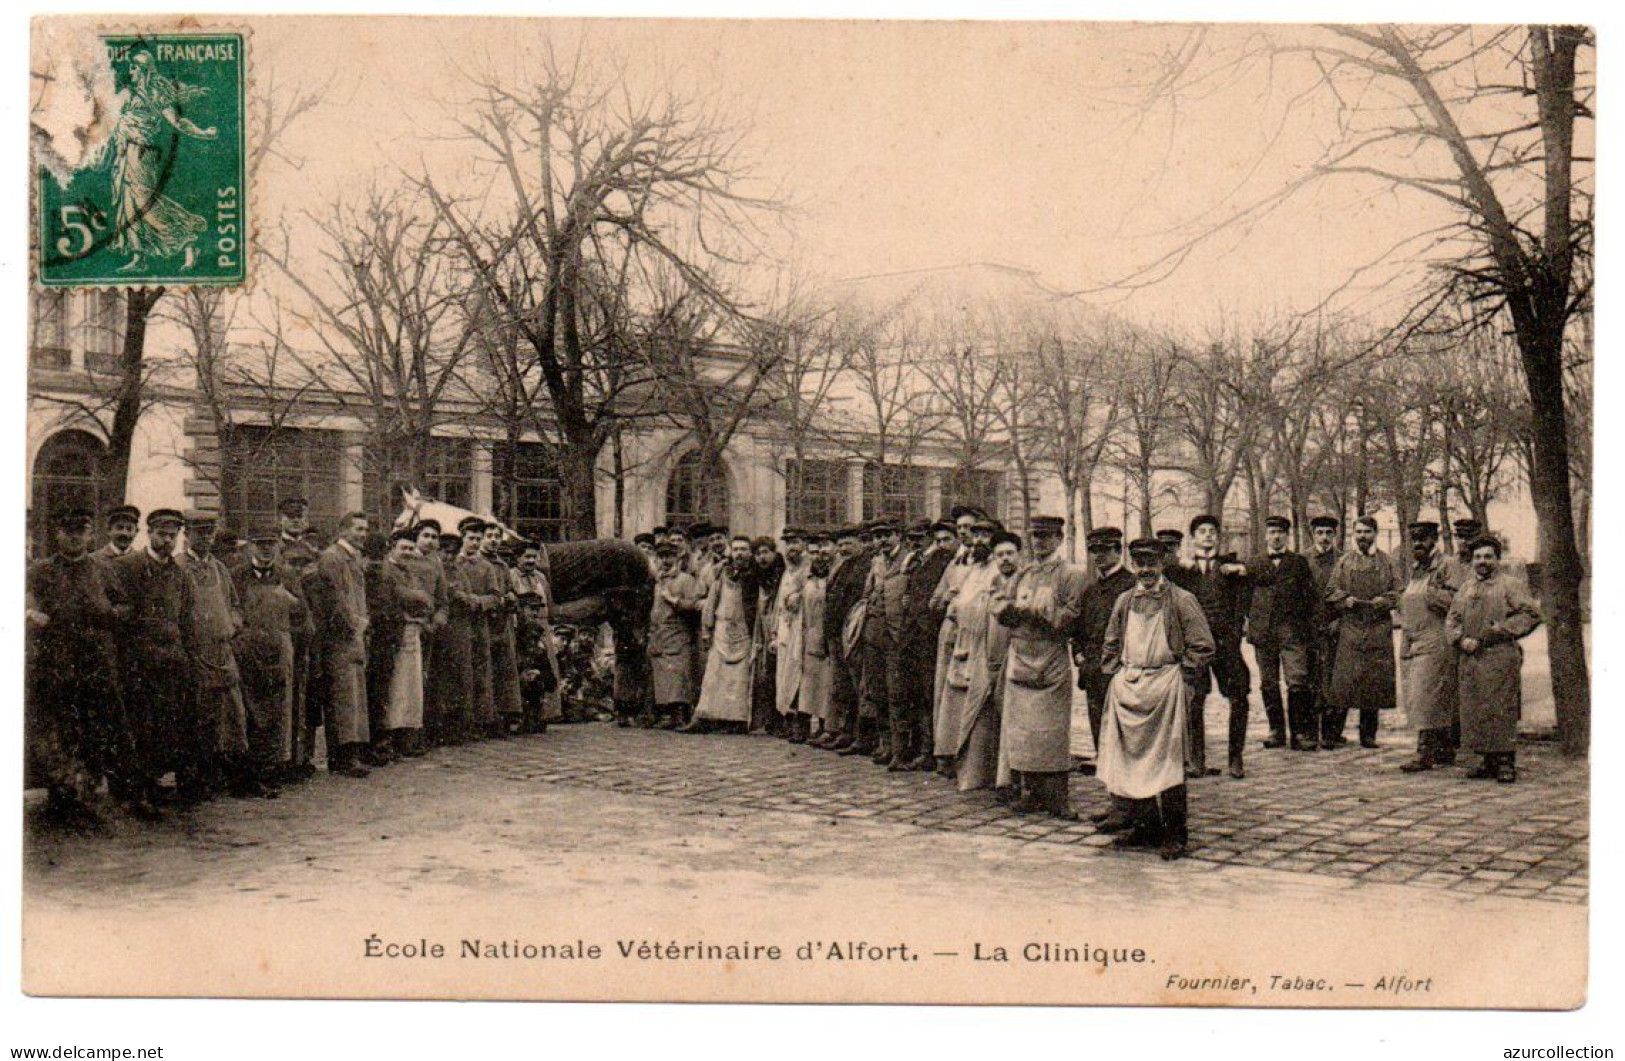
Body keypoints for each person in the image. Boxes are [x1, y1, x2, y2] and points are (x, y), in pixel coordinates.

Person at [26, 507, 151, 824]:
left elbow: (125, 606)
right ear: (58, 535)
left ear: (89, 535)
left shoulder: (102, 569)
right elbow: (19, 602)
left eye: (80, 532)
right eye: (68, 532)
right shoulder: (41, 571)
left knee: (107, 728)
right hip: (57, 662)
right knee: (63, 730)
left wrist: (110, 614)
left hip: (96, 660)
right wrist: (31, 615)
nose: (74, 537)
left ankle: (119, 797)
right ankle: (63, 800)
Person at [1097, 537, 1215, 861]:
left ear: (1163, 564)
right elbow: (1111, 642)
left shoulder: (1181, 600)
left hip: (1165, 685)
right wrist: (1116, 675)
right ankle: (1145, 828)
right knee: (1132, 761)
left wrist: (1183, 676)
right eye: (1140, 563)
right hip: (1130, 686)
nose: (1146, 570)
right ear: (1134, 565)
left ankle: (1175, 834)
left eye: (1152, 563)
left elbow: (1203, 645)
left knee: (1167, 764)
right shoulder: (1124, 601)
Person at [992, 514, 1087, 819]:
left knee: (1052, 731)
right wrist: (1006, 612)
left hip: (1051, 657)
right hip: (1021, 655)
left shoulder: (1071, 574)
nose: (1039, 543)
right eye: (1035, 537)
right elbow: (1001, 605)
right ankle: (1029, 793)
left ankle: (1057, 797)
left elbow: (1073, 615)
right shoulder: (1023, 574)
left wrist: (1040, 614)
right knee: (1023, 731)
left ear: (1059, 539)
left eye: (1046, 537)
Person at [107, 509, 197, 801]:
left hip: (171, 659)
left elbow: (185, 617)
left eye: (173, 535)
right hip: (138, 660)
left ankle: (155, 780)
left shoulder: (180, 573)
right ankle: (135, 785)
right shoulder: (127, 566)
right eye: (162, 534)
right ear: (149, 533)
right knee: (138, 722)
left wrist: (184, 653)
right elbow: (117, 613)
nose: (167, 540)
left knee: (165, 722)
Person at [1446, 537, 1542, 783]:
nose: (1482, 562)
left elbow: (1530, 614)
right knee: (1475, 710)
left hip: (1499, 657)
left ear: (1497, 559)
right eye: (1478, 557)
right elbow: (1452, 619)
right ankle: (1486, 761)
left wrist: (1500, 630)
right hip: (1471, 659)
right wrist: (1459, 639)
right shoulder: (1466, 588)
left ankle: (1505, 761)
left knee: (1501, 709)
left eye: (1488, 556)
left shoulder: (1510, 584)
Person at [179, 512, 258, 799]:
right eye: (200, 533)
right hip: (197, 652)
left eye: (210, 533)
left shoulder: (220, 568)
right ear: (187, 534)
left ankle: (236, 777)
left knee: (234, 715)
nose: (206, 538)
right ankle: (198, 780)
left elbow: (235, 604)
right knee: (201, 716)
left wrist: (234, 621)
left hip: (223, 651)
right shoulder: (179, 567)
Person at [232, 526, 309, 793]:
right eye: (260, 544)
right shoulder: (237, 576)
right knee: (251, 710)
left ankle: (274, 768)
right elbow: (230, 611)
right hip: (248, 649)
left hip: (279, 648)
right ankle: (249, 772)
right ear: (250, 547)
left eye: (270, 544)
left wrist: (290, 605)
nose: (265, 549)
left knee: (280, 710)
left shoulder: (287, 575)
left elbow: (303, 617)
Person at [1179, 514, 1251, 778]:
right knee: (1194, 699)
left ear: (1218, 538)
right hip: (1196, 646)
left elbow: (1245, 598)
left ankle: (1236, 758)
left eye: (1212, 531)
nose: (1207, 535)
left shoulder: (1231, 568)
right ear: (1193, 538)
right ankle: (1196, 760)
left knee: (1239, 696)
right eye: (1201, 531)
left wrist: (1234, 634)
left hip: (1225, 643)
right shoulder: (1183, 571)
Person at [1244, 515, 1321, 750]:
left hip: (1292, 632)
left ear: (1286, 536)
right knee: (1268, 682)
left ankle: (1299, 733)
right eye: (1272, 532)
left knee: (1297, 680)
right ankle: (1276, 730)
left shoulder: (1298, 562)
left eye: (1281, 532)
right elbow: (1245, 597)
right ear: (1266, 535)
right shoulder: (1253, 563)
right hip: (1263, 632)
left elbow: (1310, 598)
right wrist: (1252, 620)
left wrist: (1308, 629)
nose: (1276, 536)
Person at [1326, 515, 1401, 749]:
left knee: (1374, 680)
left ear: (1375, 534)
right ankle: (1333, 733)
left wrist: (1384, 601)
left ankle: (1368, 735)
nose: (1362, 536)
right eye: (1358, 532)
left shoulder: (1387, 562)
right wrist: (1344, 600)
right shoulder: (1344, 562)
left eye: (1367, 532)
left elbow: (1399, 591)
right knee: (1344, 680)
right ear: (1353, 534)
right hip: (1350, 626)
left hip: (1378, 626)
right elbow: (1330, 591)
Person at [307, 511, 373, 777]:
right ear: (343, 530)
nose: (363, 534)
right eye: (358, 529)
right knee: (344, 696)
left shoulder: (352, 558)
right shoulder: (333, 558)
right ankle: (343, 755)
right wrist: (354, 625)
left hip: (355, 633)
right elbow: (336, 600)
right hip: (342, 636)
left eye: (365, 529)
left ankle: (351, 752)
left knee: (354, 694)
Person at [1069, 527, 1135, 782]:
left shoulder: (1130, 585)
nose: (1100, 557)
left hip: (1119, 666)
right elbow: (1077, 627)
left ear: (1118, 552)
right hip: (1092, 666)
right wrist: (1078, 654)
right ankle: (1104, 763)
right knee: (1096, 715)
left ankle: (1122, 772)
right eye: (1095, 551)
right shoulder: (1090, 589)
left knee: (1121, 720)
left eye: (1106, 551)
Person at [952, 525, 1015, 792]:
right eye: (975, 536)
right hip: (980, 644)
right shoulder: (977, 571)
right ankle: (978, 773)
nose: (979, 541)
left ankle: (1007, 778)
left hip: (1007, 649)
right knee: (978, 711)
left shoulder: (1003, 573)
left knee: (1006, 713)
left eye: (984, 536)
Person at [1398, 522, 1459, 773]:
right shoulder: (1416, 568)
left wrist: (1432, 594)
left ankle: (1425, 752)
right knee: (1419, 693)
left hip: (1436, 638)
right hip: (1414, 636)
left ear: (1434, 539)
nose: (1418, 544)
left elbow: (1458, 600)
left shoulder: (1447, 565)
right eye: (1414, 539)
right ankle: (1444, 748)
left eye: (1423, 539)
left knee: (1428, 694)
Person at [685, 535, 757, 733]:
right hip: (722, 628)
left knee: (738, 680)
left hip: (743, 631)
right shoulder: (721, 573)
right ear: (731, 552)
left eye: (744, 549)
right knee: (714, 676)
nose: (740, 553)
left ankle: (736, 721)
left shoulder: (755, 575)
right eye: (736, 549)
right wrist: (707, 628)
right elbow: (711, 601)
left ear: (750, 553)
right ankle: (704, 718)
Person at [905, 519, 957, 773]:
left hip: (937, 635)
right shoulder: (929, 562)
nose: (942, 545)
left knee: (937, 695)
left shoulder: (953, 565)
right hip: (920, 638)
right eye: (938, 541)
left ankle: (936, 751)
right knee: (923, 694)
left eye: (947, 540)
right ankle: (925, 749)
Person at [377, 528, 434, 758]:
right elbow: (398, 597)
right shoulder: (386, 570)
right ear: (393, 547)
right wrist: (416, 599)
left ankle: (407, 737)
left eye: (411, 548)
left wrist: (418, 601)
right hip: (393, 633)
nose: (408, 553)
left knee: (411, 687)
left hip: (413, 630)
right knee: (395, 688)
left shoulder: (411, 571)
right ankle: (388, 737)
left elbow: (426, 601)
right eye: (404, 548)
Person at [815, 526, 869, 753]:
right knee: (841, 685)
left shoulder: (865, 567)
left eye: (849, 543)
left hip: (853, 634)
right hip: (836, 633)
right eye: (841, 544)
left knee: (857, 685)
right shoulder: (841, 566)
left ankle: (859, 735)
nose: (844, 548)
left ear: (860, 543)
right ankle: (843, 731)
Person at [648, 540, 706, 729]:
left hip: (678, 634)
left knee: (678, 675)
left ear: (677, 557)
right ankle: (668, 714)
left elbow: (693, 606)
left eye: (669, 556)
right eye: (662, 556)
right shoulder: (657, 582)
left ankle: (680, 714)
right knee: (663, 676)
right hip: (659, 634)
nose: (666, 560)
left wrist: (673, 600)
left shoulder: (685, 580)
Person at [455, 517, 502, 739]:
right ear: (462, 539)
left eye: (477, 539)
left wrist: (479, 602)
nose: (474, 543)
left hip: (479, 624)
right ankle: (460, 723)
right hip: (458, 624)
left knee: (481, 671)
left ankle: (480, 721)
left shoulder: (486, 567)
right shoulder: (454, 563)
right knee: (459, 671)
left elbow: (495, 596)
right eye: (470, 538)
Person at [510, 540, 562, 731]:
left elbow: (548, 602)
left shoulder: (541, 578)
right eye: (527, 557)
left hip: (541, 626)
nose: (531, 560)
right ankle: (522, 715)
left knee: (545, 666)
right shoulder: (512, 576)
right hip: (521, 627)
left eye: (534, 557)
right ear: (517, 558)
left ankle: (545, 713)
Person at [1306, 515, 1346, 747]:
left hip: (1336, 626)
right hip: (1310, 628)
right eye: (1320, 532)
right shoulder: (1303, 560)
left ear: (1335, 535)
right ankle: (1311, 731)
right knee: (1311, 677)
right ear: (1313, 534)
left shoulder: (1344, 560)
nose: (1324, 537)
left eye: (1328, 533)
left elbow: (1349, 590)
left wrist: (1339, 620)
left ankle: (1332, 732)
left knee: (1335, 677)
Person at [481, 523, 525, 735]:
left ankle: (505, 714)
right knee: (484, 667)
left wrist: (511, 598)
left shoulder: (502, 566)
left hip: (502, 622)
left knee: (504, 669)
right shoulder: (477, 562)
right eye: (488, 536)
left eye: (496, 536)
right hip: (484, 622)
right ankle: (485, 718)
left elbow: (510, 590)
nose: (493, 540)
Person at [773, 529, 811, 741]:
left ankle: (801, 724)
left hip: (802, 628)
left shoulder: (809, 569)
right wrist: (774, 632)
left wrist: (800, 595)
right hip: (786, 628)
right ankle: (788, 719)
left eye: (795, 541)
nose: (791, 547)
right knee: (784, 676)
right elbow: (779, 604)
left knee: (799, 675)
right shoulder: (788, 572)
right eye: (788, 543)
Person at [798, 533, 836, 739]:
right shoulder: (806, 578)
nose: (819, 557)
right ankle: (806, 723)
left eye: (823, 552)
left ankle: (825, 724)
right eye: (814, 553)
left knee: (826, 683)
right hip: (809, 633)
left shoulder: (833, 577)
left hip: (826, 633)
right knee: (809, 682)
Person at [749, 536, 786, 734]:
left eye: (765, 552)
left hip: (779, 627)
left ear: (773, 552)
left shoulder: (782, 573)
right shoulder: (757, 576)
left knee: (780, 674)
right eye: (757, 554)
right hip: (762, 629)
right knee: (767, 676)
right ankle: (770, 719)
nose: (762, 558)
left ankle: (782, 719)